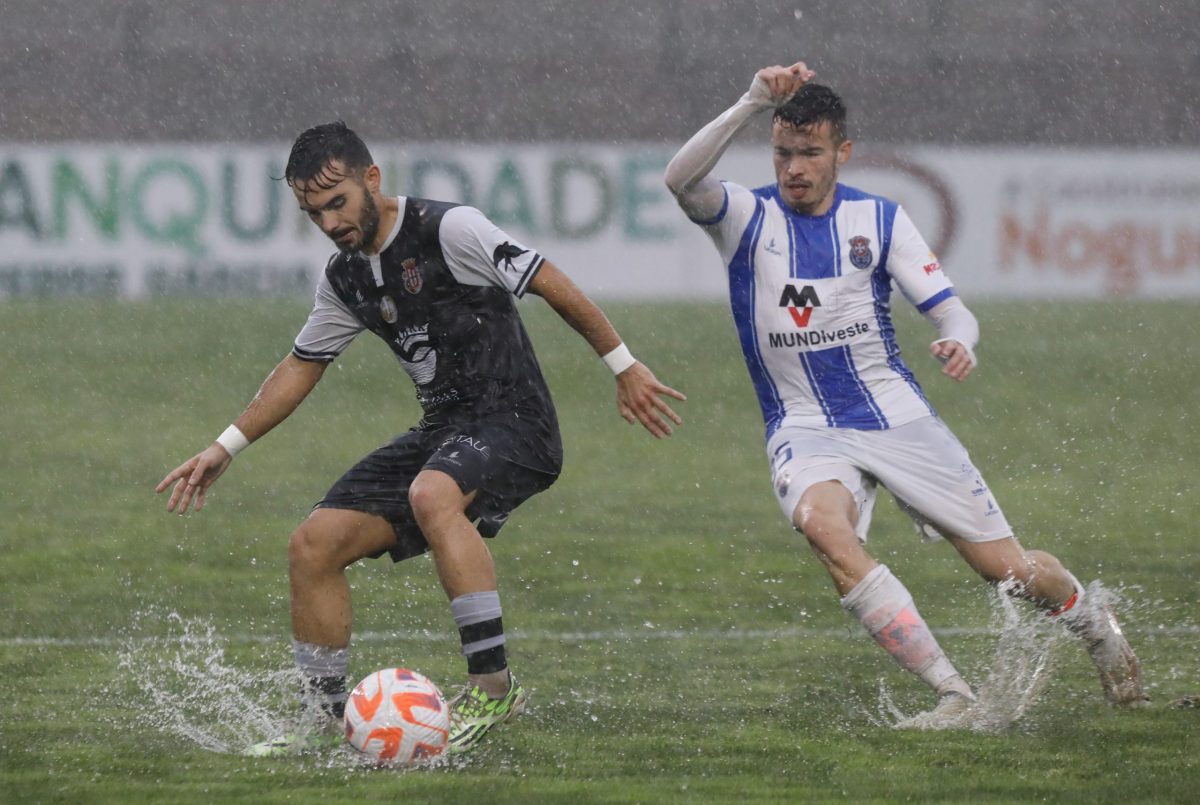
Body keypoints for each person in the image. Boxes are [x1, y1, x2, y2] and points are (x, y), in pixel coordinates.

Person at [157, 121, 685, 755]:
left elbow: (546, 279)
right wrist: (225, 445)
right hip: (442, 432)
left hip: (516, 423)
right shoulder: (346, 276)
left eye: (336, 202)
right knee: (312, 545)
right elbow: (302, 363)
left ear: (371, 180)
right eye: (312, 212)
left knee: (433, 495)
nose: (329, 222)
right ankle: (321, 726)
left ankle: (494, 690)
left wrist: (624, 367)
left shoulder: (448, 230)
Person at [663, 63, 1146, 727]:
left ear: (842, 153)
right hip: (802, 424)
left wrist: (960, 340)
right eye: (782, 153)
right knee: (824, 528)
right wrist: (751, 100)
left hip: (895, 415)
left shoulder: (879, 219)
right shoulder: (746, 217)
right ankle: (954, 692)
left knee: (1004, 568)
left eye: (810, 152)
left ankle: (1093, 622)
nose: (794, 168)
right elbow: (680, 178)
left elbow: (952, 311)